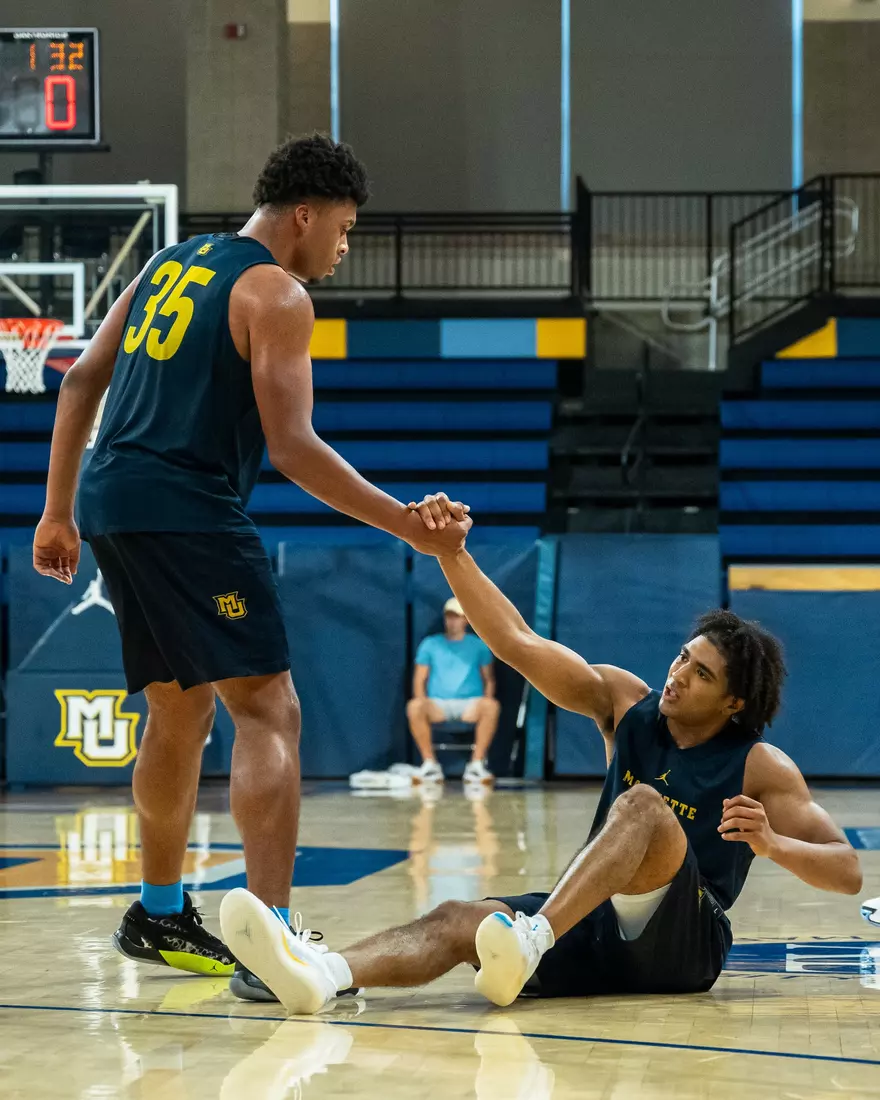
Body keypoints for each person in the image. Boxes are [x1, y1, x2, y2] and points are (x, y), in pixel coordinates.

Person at [31, 136, 470, 1003]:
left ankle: (160, 910)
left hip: (112, 498)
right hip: (186, 505)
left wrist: (55, 510)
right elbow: (294, 448)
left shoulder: (168, 263)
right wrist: (406, 526)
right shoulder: (277, 291)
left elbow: (80, 379)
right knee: (268, 706)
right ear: (304, 215)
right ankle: (272, 942)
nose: (343, 246)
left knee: (178, 706)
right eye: (343, 228)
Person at [219, 504, 863, 1014]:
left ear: (734, 702)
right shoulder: (624, 704)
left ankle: (533, 938)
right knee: (456, 919)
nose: (678, 675)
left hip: (685, 948)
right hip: (594, 922)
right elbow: (517, 642)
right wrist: (452, 554)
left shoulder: (759, 766)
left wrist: (774, 844)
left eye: (701, 674)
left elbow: (847, 872)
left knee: (641, 805)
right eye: (682, 658)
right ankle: (321, 977)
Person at [408, 596, 500, 784]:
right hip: (438, 705)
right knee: (414, 707)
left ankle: (476, 766)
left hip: (470, 705)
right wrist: (422, 701)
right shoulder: (430, 644)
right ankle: (430, 765)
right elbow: (419, 678)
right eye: (450, 616)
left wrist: (486, 698)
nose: (453, 621)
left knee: (491, 707)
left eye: (458, 616)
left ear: (466, 619)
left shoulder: (479, 645)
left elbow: (488, 679)